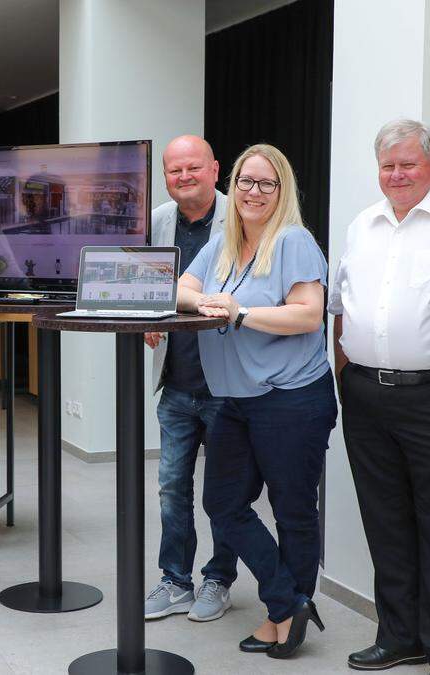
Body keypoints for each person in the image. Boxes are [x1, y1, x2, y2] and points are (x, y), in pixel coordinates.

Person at [329, 120, 430, 675]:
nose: (397, 175)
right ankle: (400, 636)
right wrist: (345, 379)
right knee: (386, 523)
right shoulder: (362, 225)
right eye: (388, 166)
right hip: (367, 399)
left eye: (408, 164)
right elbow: (341, 309)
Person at [178, 144, 336, 659]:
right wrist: (202, 301)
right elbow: (180, 286)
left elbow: (309, 314)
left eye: (267, 184)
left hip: (291, 399)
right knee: (222, 504)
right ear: (234, 185)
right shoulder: (223, 242)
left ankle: (281, 617)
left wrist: (240, 313)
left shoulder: (292, 240)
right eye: (246, 181)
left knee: (293, 512)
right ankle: (289, 601)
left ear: (281, 191)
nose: (253, 191)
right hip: (235, 399)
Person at [142, 134, 238, 622]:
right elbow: (146, 288)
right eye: (174, 170)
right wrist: (148, 322)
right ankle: (175, 579)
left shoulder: (240, 214)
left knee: (224, 491)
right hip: (175, 383)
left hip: (225, 384)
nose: (184, 177)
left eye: (193, 168)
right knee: (171, 488)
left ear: (215, 168)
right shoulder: (157, 220)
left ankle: (218, 580)